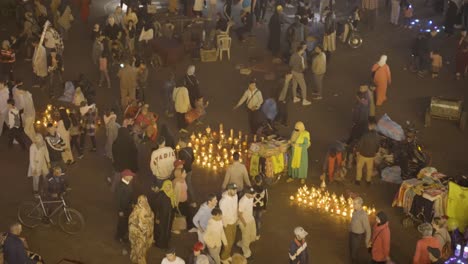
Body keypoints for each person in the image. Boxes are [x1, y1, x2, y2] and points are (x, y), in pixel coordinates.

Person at [129, 195, 154, 264]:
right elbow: (131, 221)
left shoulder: (149, 209)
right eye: (141, 201)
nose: (142, 203)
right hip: (138, 234)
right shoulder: (136, 210)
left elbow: (151, 221)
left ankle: (136, 259)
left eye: (144, 201)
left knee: (143, 249)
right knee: (139, 250)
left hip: (146, 234)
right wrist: (138, 229)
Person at [153, 180, 177, 249]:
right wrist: (157, 218)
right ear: (164, 186)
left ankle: (165, 243)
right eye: (166, 186)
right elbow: (156, 207)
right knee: (161, 231)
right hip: (162, 217)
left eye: (169, 186)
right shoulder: (161, 194)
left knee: (167, 230)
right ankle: (160, 245)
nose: (168, 188)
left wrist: (174, 215)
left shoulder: (172, 194)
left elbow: (174, 206)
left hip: (169, 217)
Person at [219, 183, 239, 264]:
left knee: (232, 240)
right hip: (227, 224)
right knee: (228, 242)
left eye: (236, 189)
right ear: (229, 190)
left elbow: (236, 207)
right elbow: (222, 215)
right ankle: (223, 258)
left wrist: (236, 218)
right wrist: (225, 225)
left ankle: (227, 255)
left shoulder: (236, 196)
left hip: (234, 222)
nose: (235, 191)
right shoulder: (223, 201)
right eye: (233, 190)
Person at [349, 197, 371, 264]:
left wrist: (367, 241)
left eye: (355, 204)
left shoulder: (363, 215)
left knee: (354, 252)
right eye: (353, 203)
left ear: (360, 204)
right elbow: (352, 221)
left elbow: (368, 229)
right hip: (352, 233)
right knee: (351, 249)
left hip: (358, 236)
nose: (353, 205)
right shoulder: (354, 211)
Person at [115, 169, 135, 243]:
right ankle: (119, 236)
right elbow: (118, 199)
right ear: (125, 176)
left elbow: (130, 195)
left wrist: (132, 203)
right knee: (121, 223)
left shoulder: (129, 183)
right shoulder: (120, 186)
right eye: (130, 176)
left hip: (128, 208)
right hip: (122, 209)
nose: (132, 177)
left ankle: (123, 235)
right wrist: (120, 210)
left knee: (125, 222)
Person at [173, 167, 195, 233]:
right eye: (184, 173)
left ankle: (190, 227)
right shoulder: (177, 183)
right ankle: (175, 228)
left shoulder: (183, 180)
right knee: (178, 215)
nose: (186, 174)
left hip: (184, 201)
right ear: (180, 174)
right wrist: (176, 206)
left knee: (188, 213)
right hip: (179, 202)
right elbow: (176, 195)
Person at [237, 187, 257, 259]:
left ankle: (241, 243)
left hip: (251, 219)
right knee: (246, 238)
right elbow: (239, 214)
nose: (254, 195)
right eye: (252, 194)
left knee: (253, 235)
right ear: (247, 193)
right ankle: (246, 253)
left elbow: (249, 203)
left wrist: (252, 204)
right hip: (245, 222)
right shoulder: (242, 201)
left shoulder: (251, 197)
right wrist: (244, 223)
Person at [178, 136, 196, 206]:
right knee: (188, 184)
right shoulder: (190, 149)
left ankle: (192, 201)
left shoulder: (181, 152)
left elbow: (180, 164)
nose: (178, 142)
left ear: (182, 142)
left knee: (187, 185)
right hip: (190, 170)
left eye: (179, 141)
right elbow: (193, 159)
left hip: (184, 171)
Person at [252, 175, 268, 240]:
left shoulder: (252, 188)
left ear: (255, 181)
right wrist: (265, 208)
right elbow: (266, 199)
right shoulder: (264, 189)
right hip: (260, 207)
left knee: (252, 219)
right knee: (258, 220)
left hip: (253, 206)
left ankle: (252, 232)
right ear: (261, 181)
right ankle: (257, 234)